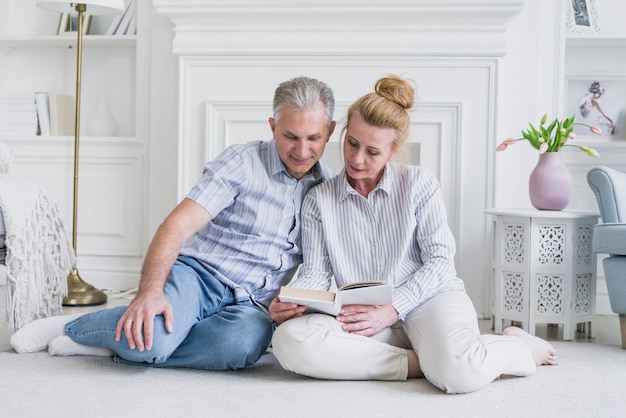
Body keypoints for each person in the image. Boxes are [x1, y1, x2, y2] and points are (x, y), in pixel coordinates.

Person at [10, 76, 336, 371]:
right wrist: (149, 293)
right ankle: (79, 327)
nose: (302, 150)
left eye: (314, 138)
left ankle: (117, 346)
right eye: (291, 136)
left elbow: (317, 271)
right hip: (198, 277)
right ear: (272, 126)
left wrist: (290, 307)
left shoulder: (328, 193)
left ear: (330, 132)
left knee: (242, 348)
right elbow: (176, 226)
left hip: (253, 307)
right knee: (151, 337)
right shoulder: (243, 162)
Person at [269, 75, 558, 394]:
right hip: (362, 314)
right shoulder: (318, 200)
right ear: (343, 133)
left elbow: (441, 263)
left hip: (429, 301)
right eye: (352, 143)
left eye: (373, 152)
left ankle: (518, 348)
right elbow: (315, 273)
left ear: (393, 152)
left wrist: (393, 308)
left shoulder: (420, 184)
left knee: (461, 374)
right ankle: (422, 364)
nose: (356, 159)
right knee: (289, 342)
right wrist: (294, 301)